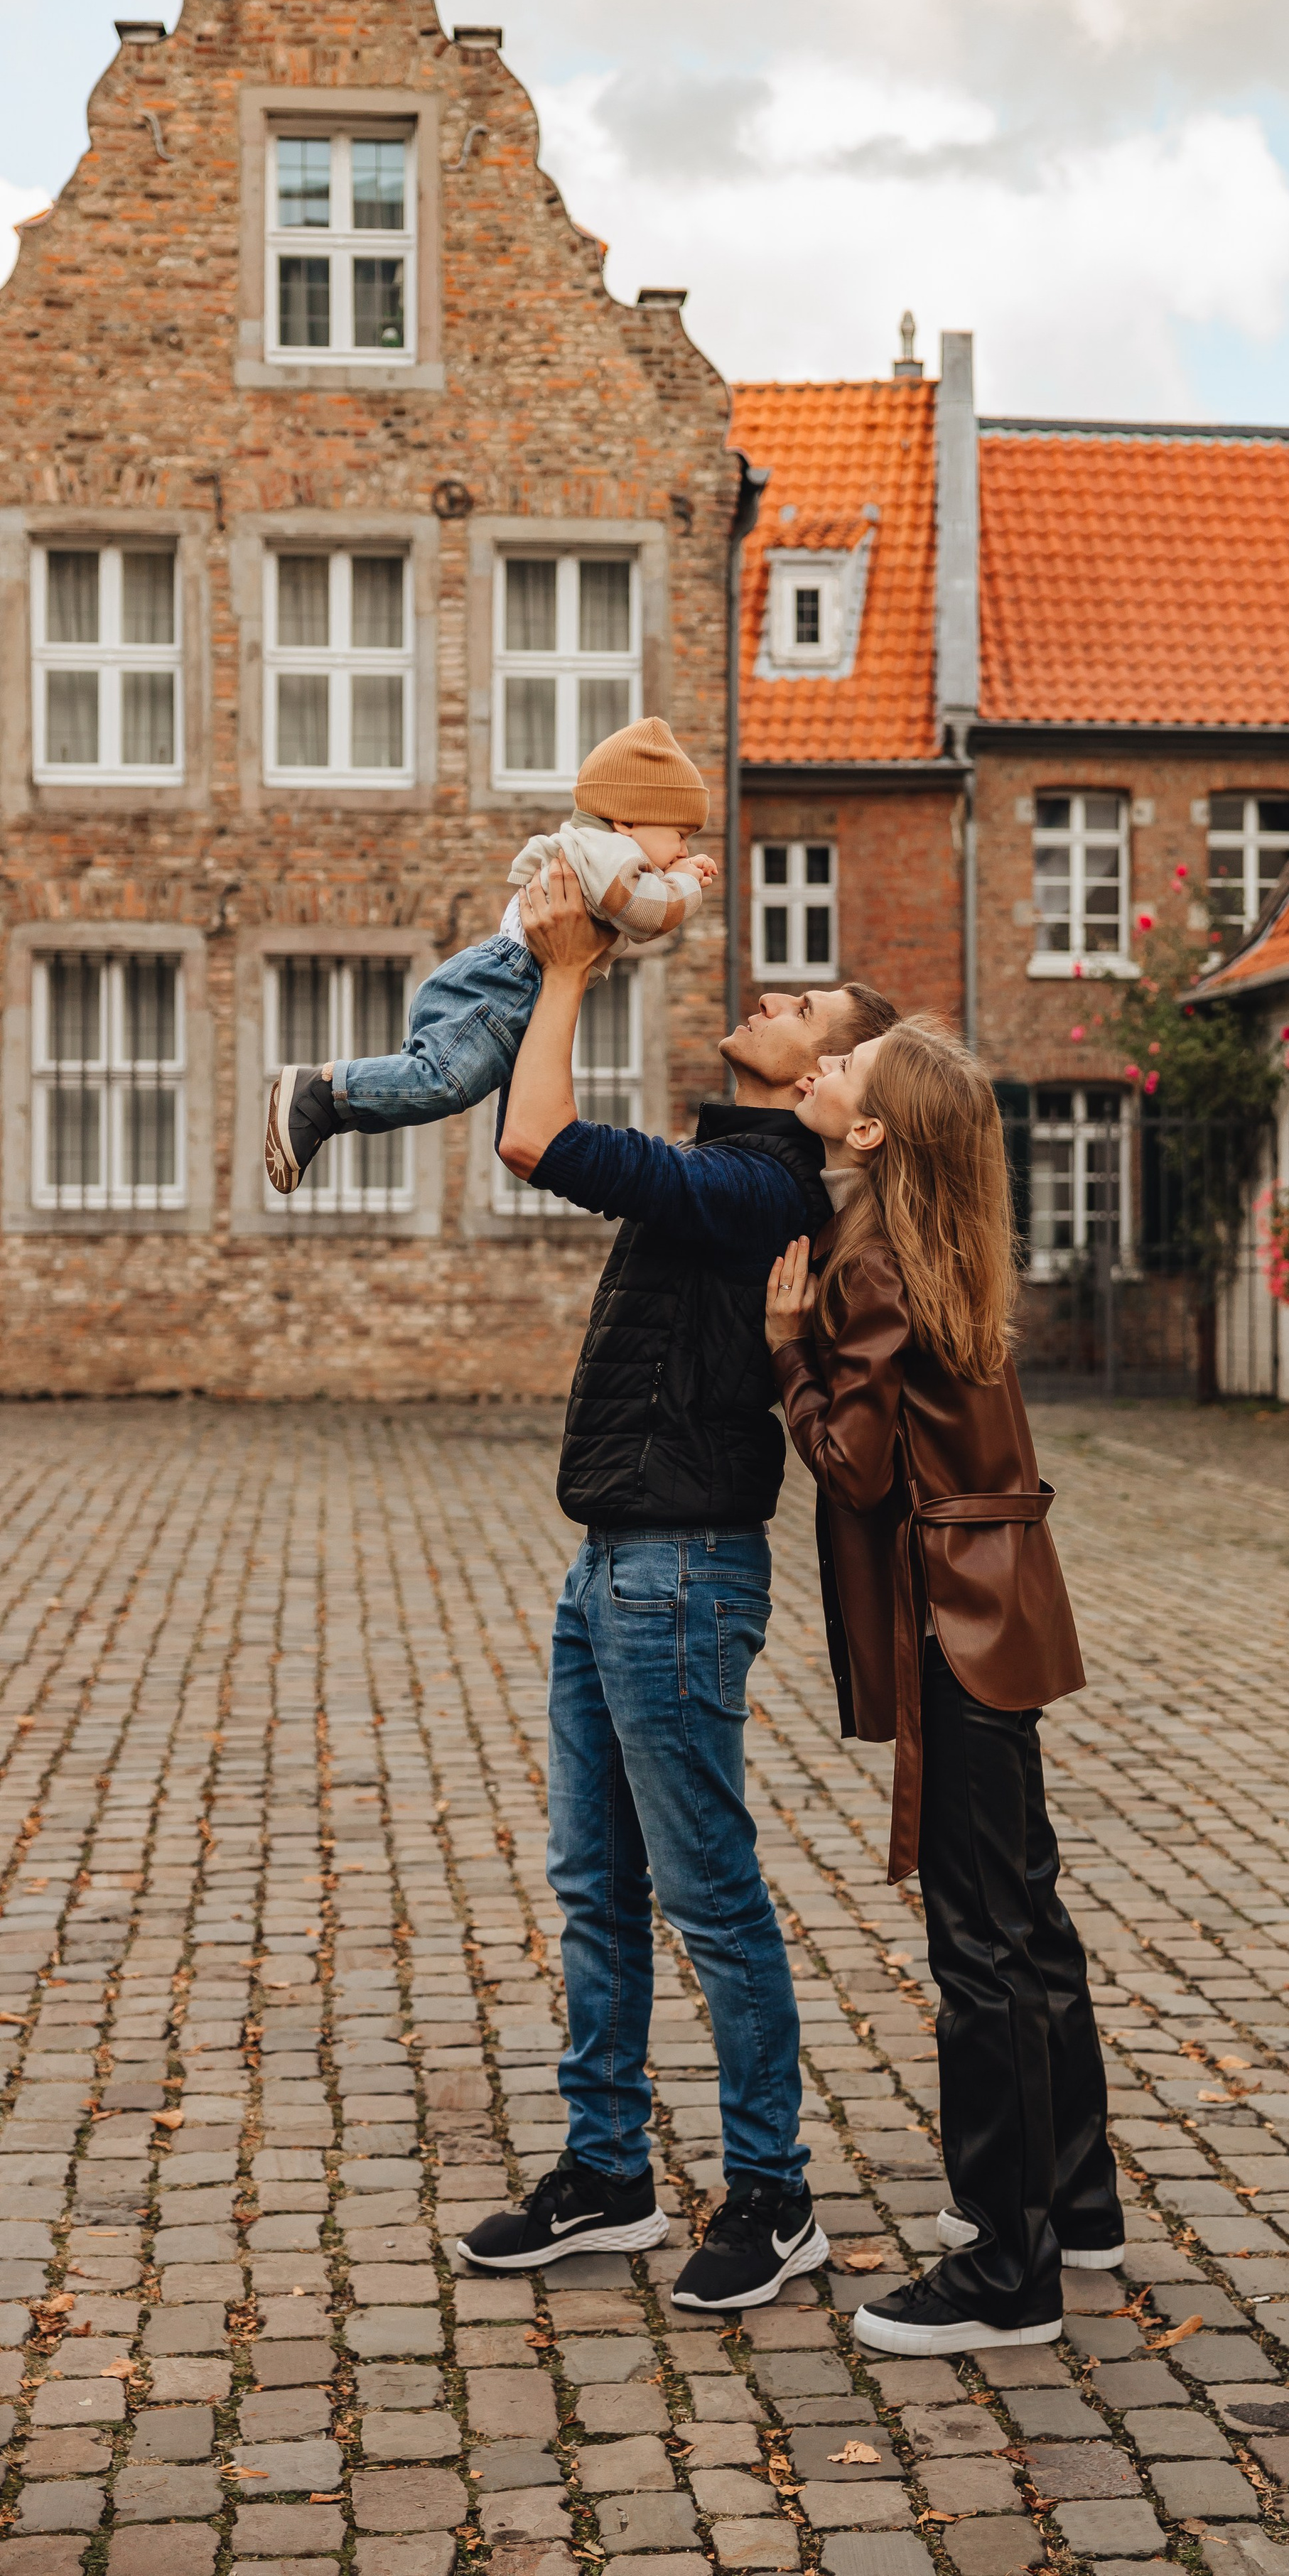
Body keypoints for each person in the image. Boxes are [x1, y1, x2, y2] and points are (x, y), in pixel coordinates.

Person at [451, 850, 900, 2315]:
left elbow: (533, 1142)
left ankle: (771, 2197)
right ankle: (608, 2176)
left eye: (803, 1004)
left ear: (824, 1072)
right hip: (613, 1564)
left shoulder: (751, 1182)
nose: (767, 995)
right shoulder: (729, 1166)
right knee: (594, 1883)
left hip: (682, 1572)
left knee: (708, 1896)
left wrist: (571, 966)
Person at [762, 1020, 1121, 2356]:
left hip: (954, 1626)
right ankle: (1072, 2207)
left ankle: (1007, 2268)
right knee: (1028, 1920)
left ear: (871, 1138)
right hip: (1006, 1610)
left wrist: (786, 1350)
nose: (835, 1064)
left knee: (981, 1947)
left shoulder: (864, 1267)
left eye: (853, 1068)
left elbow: (854, 1465)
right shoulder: (954, 1245)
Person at [263, 717, 718, 1194]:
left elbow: (632, 922)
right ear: (626, 818)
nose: (684, 848)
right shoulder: (604, 848)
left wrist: (672, 874)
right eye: (680, 834)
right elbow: (645, 913)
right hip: (505, 983)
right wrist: (684, 882)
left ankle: (327, 1113)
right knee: (443, 1084)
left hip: (502, 984)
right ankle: (321, 1091)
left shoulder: (608, 854)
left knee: (442, 1090)